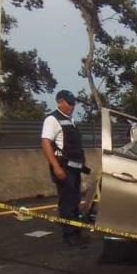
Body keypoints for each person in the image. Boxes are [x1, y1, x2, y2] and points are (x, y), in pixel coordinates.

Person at [40, 90, 89, 247]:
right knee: (67, 202)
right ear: (59, 102)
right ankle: (69, 236)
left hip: (74, 168)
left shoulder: (70, 120)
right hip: (63, 168)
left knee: (75, 201)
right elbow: (46, 143)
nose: (72, 106)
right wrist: (56, 167)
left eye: (73, 103)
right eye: (69, 103)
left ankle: (76, 232)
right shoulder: (52, 119)